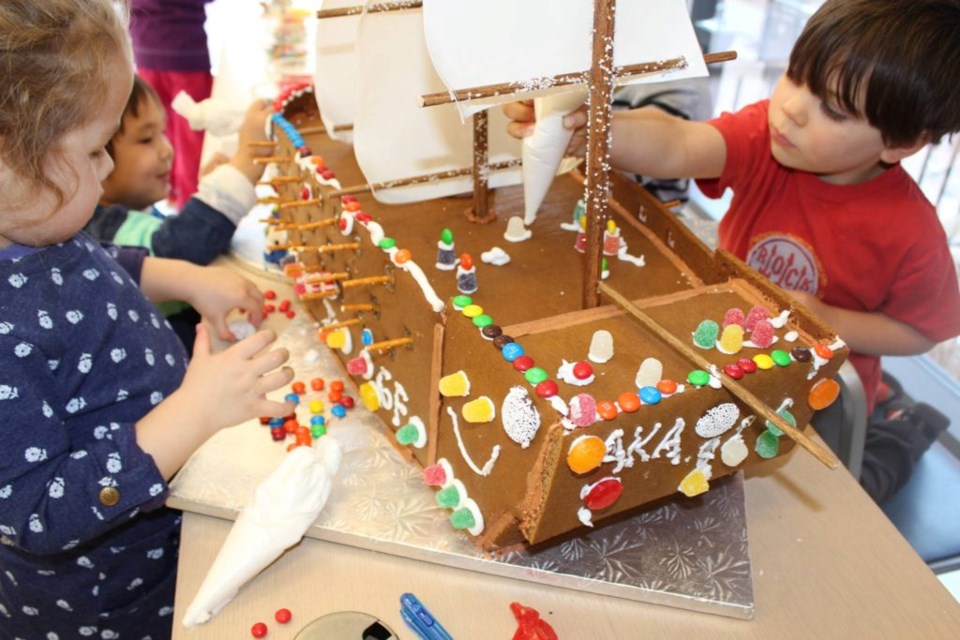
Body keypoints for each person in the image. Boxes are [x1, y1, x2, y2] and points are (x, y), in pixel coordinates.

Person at [505, 0, 960, 502]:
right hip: (721, 355)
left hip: (816, 396)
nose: (791, 106)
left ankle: (907, 428)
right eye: (795, 75)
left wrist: (823, 316)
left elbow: (924, 331)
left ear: (900, 144)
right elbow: (678, 142)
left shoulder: (913, 233)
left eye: (831, 109)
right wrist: (592, 129)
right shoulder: (769, 135)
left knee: (847, 491)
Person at [0, 2, 295, 637]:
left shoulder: (31, 224)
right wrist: (195, 411)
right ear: (8, 163)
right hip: (112, 597)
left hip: (163, 526)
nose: (108, 169)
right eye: (94, 148)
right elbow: (39, 513)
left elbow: (93, 262)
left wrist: (183, 276)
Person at [86, 74, 274, 351]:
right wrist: (245, 164)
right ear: (93, 156)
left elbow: (168, 237)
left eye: (162, 133)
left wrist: (201, 201)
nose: (166, 150)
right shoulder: (103, 231)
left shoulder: (129, 210)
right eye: (146, 139)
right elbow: (178, 249)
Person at [130, 0, 215, 210]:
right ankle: (190, 204)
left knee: (158, 130)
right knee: (192, 135)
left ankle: (171, 194)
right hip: (184, 51)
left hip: (145, 47)